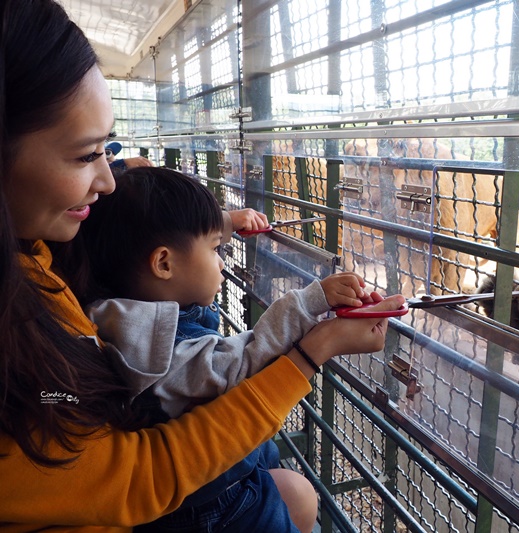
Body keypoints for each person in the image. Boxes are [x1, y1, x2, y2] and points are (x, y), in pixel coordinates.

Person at [0, 1, 405, 531]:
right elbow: (137, 473)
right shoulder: (91, 339)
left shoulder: (39, 255)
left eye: (109, 151)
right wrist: (314, 347)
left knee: (290, 488)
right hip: (173, 499)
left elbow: (127, 210)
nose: (108, 180)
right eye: (86, 156)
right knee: (289, 495)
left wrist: (218, 223)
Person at [80, 166, 372, 532]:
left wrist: (226, 223)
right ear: (164, 263)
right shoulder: (161, 352)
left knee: (292, 488)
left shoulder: (122, 311)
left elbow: (171, 234)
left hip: (213, 479)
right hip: (213, 507)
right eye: (216, 248)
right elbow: (241, 362)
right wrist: (310, 302)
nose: (222, 261)